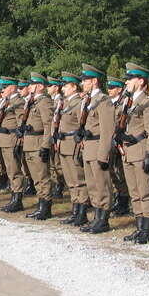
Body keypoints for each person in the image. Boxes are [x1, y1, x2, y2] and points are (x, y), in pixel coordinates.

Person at [118, 63, 149, 244]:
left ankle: (147, 230)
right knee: (134, 193)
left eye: (130, 78)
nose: (126, 82)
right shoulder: (127, 101)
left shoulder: (147, 102)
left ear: (140, 81)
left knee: (145, 192)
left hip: (141, 150)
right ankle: (139, 227)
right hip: (128, 152)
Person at [78, 64, 116, 234]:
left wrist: (103, 154)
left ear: (94, 81)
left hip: (98, 147)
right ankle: (96, 217)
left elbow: (107, 130)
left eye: (85, 80)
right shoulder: (87, 100)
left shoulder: (103, 100)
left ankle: (103, 220)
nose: (82, 83)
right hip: (88, 148)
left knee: (102, 185)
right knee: (92, 185)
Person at [57, 72, 90, 227]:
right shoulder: (66, 103)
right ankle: (75, 211)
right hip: (64, 144)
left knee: (79, 180)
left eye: (66, 86)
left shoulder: (78, 103)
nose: (63, 88)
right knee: (70, 181)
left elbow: (82, 125)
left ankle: (82, 213)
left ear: (74, 87)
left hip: (74, 145)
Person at [22, 73, 54, 220]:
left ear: (40, 86)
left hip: (38, 144)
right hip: (29, 144)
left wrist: (45, 146)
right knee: (36, 178)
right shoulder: (33, 102)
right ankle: (41, 205)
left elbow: (48, 125)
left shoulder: (44, 102)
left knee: (42, 177)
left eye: (32, 84)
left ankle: (45, 208)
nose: (29, 86)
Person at [0, 77, 26, 212]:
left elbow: (21, 122)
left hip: (12, 139)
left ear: (12, 87)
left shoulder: (18, 101)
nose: (2, 90)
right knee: (9, 170)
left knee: (14, 170)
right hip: (5, 140)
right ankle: (13, 197)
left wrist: (19, 141)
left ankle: (17, 200)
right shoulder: (6, 102)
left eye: (5, 87)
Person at [106, 76, 131, 216]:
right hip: (110, 142)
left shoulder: (124, 104)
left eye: (112, 88)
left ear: (120, 89)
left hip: (120, 142)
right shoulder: (110, 103)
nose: (109, 90)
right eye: (108, 88)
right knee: (112, 172)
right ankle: (118, 198)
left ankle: (124, 202)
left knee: (121, 173)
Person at [47, 76, 66, 199]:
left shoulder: (60, 100)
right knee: (53, 163)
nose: (47, 88)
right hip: (52, 134)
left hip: (57, 135)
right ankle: (57, 184)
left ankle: (59, 185)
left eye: (50, 86)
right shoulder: (53, 100)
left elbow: (57, 120)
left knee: (57, 163)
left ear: (56, 87)